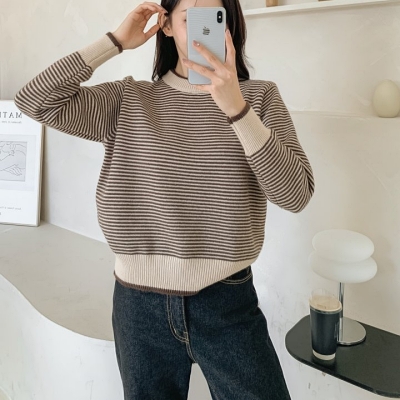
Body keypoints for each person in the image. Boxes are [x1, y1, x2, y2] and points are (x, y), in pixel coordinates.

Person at [14, 0, 315, 398]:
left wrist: (235, 108)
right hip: (139, 307)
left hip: (227, 302)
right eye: (191, 18)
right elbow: (34, 100)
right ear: (167, 25)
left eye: (216, 17)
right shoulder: (129, 100)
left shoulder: (258, 98)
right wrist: (114, 41)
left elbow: (296, 194)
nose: (204, 30)